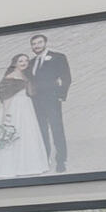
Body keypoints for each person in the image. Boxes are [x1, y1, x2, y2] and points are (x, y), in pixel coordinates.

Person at [0, 51, 53, 183]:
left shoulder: (25, 75)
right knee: (14, 134)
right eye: (21, 61)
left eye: (26, 60)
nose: (24, 63)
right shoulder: (10, 77)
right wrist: (6, 115)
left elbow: (30, 91)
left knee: (28, 134)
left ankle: (28, 166)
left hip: (27, 106)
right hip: (16, 107)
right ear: (15, 63)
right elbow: (6, 97)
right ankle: (8, 166)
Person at [24, 33, 73, 172]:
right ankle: (44, 159)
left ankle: (61, 161)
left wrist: (61, 96)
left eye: (39, 43)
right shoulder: (31, 62)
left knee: (57, 129)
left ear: (45, 43)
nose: (36, 46)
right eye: (34, 44)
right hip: (36, 102)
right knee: (41, 131)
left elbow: (67, 78)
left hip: (52, 99)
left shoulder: (58, 57)